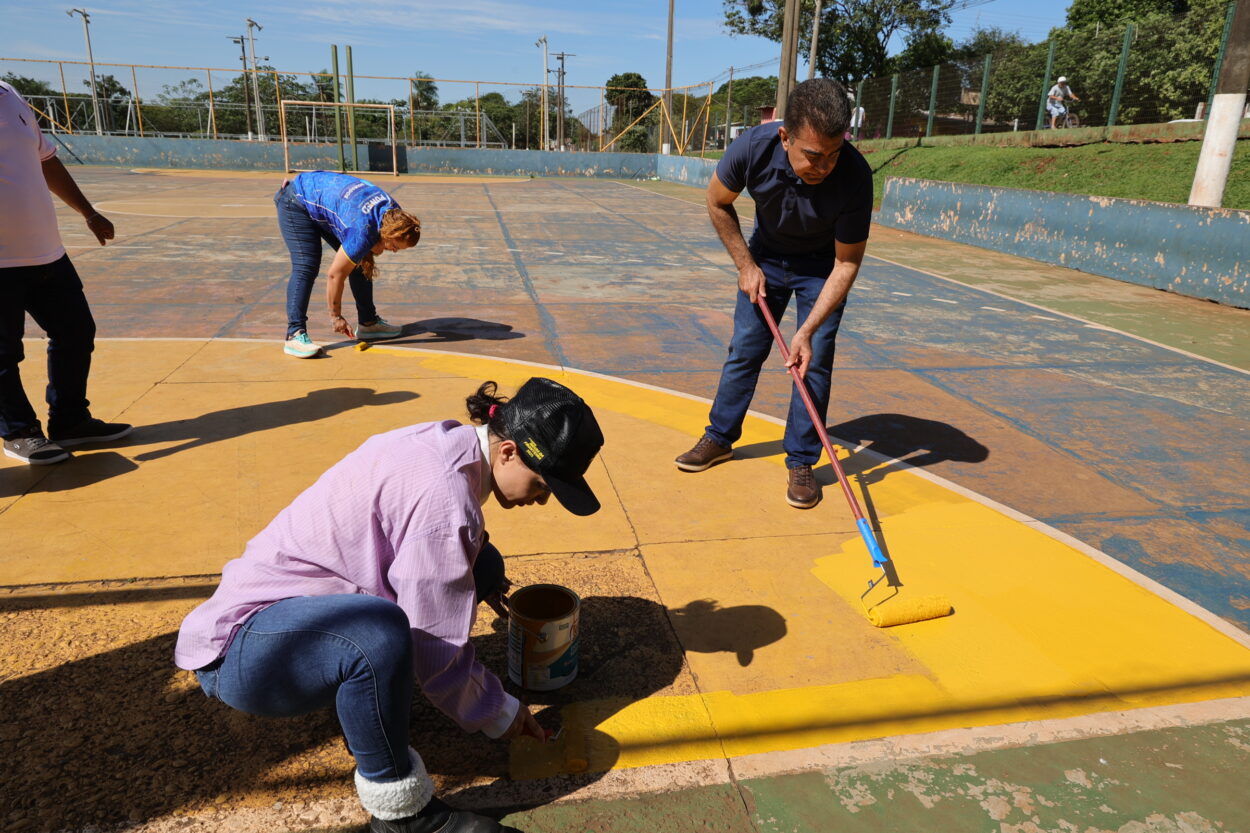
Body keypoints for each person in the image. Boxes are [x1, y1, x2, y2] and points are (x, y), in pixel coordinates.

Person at [175, 376, 605, 833]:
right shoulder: (446, 504)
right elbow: (435, 648)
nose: (540, 500)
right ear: (508, 452)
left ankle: (361, 690)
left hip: (289, 622)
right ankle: (403, 814)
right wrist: (501, 712)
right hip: (247, 652)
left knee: (482, 563)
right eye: (542, 485)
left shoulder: (445, 442)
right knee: (377, 636)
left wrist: (477, 573)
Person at [674, 78, 872, 510]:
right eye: (814, 156)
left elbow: (847, 263)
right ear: (785, 137)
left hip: (822, 268)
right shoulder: (753, 147)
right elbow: (716, 202)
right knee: (745, 348)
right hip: (764, 255)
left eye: (835, 154)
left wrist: (807, 330)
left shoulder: (855, 176)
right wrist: (746, 265)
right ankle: (719, 437)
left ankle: (802, 460)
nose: (825, 166)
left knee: (813, 360)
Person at [0, 80, 132, 465]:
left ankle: (70, 420)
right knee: (4, 352)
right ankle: (19, 432)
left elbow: (46, 161)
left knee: (76, 331)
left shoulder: (9, 93)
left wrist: (88, 212)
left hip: (45, 252)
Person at [276, 171, 422, 358]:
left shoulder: (394, 215)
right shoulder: (363, 231)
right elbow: (335, 275)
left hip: (329, 203)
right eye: (394, 246)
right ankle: (294, 334)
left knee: (359, 259)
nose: (394, 251)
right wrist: (335, 316)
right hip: (297, 202)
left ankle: (368, 323)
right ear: (388, 234)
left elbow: (365, 249)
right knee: (307, 265)